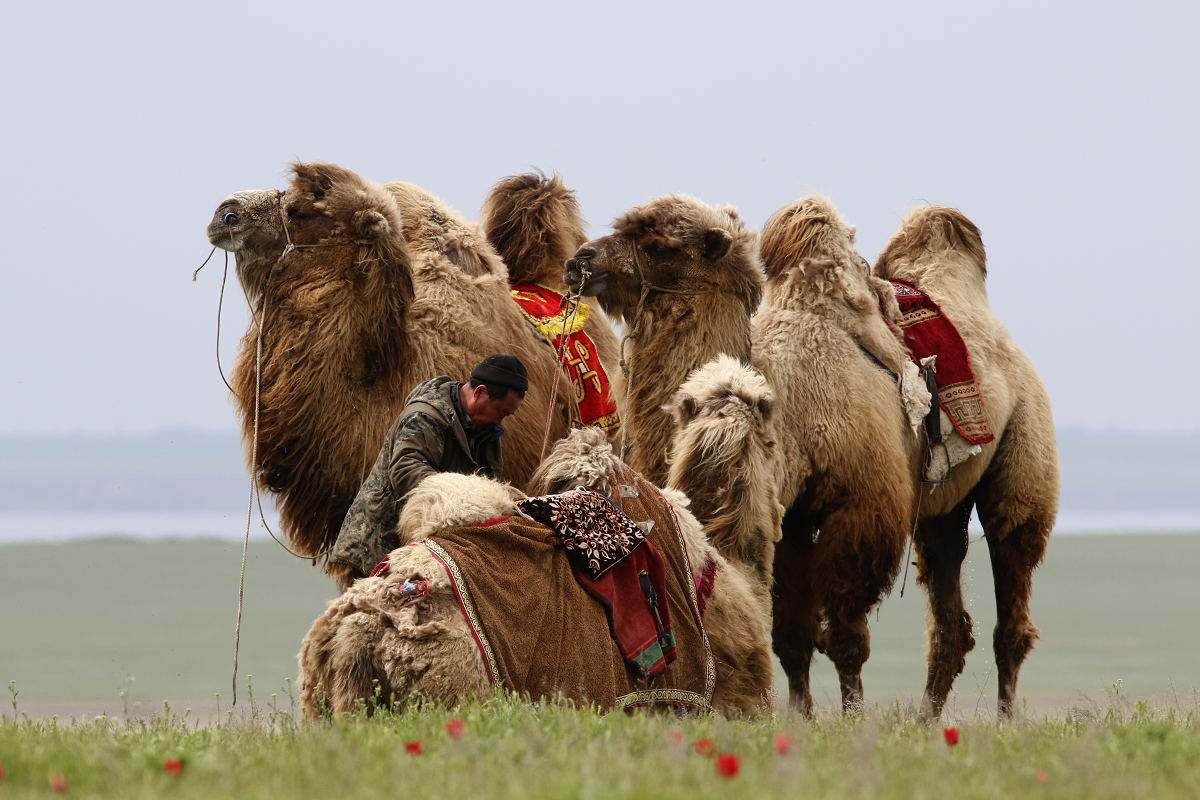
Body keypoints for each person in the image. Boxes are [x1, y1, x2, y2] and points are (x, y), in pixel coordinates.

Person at [328, 355, 528, 589]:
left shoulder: (487, 431)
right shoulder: (425, 416)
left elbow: (488, 481)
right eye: (501, 411)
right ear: (480, 392)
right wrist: (467, 498)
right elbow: (406, 470)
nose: (500, 421)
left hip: (427, 551)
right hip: (381, 546)